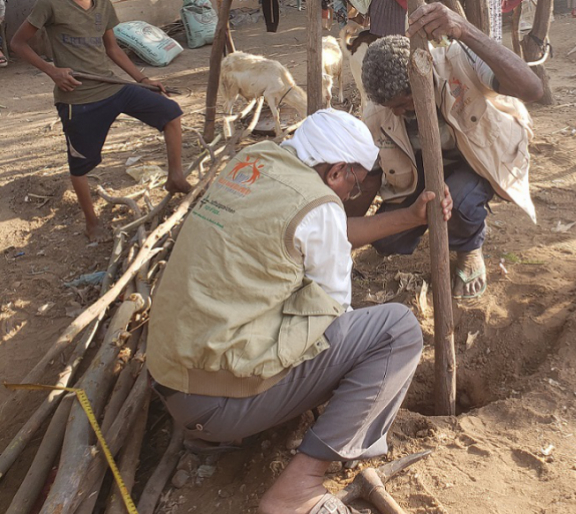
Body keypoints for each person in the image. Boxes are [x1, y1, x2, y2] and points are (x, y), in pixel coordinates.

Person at [146, 109, 452, 514]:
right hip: (216, 405)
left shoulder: (256, 161)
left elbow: (325, 229)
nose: (354, 194)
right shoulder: (318, 207)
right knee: (395, 329)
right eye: (357, 183)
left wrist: (408, 219)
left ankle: (216, 434)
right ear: (338, 171)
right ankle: (299, 487)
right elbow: (334, 318)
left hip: (176, 378)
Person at [354, 2, 543, 299]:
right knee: (386, 241)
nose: (403, 113)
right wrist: (342, 234)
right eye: (395, 109)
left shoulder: (458, 61)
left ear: (422, 74)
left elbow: (532, 89)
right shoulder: (377, 115)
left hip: (480, 161)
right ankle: (439, 220)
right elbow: (369, 182)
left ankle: (469, 248)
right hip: (425, 176)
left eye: (407, 102)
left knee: (459, 202)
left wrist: (465, 31)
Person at [11, 0, 192, 242]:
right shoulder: (51, 4)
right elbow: (17, 43)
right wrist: (52, 71)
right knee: (81, 165)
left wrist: (143, 79)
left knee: (170, 112)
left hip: (112, 87)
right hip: (79, 99)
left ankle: (175, 177)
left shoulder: (103, 5)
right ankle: (91, 223)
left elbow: (113, 49)